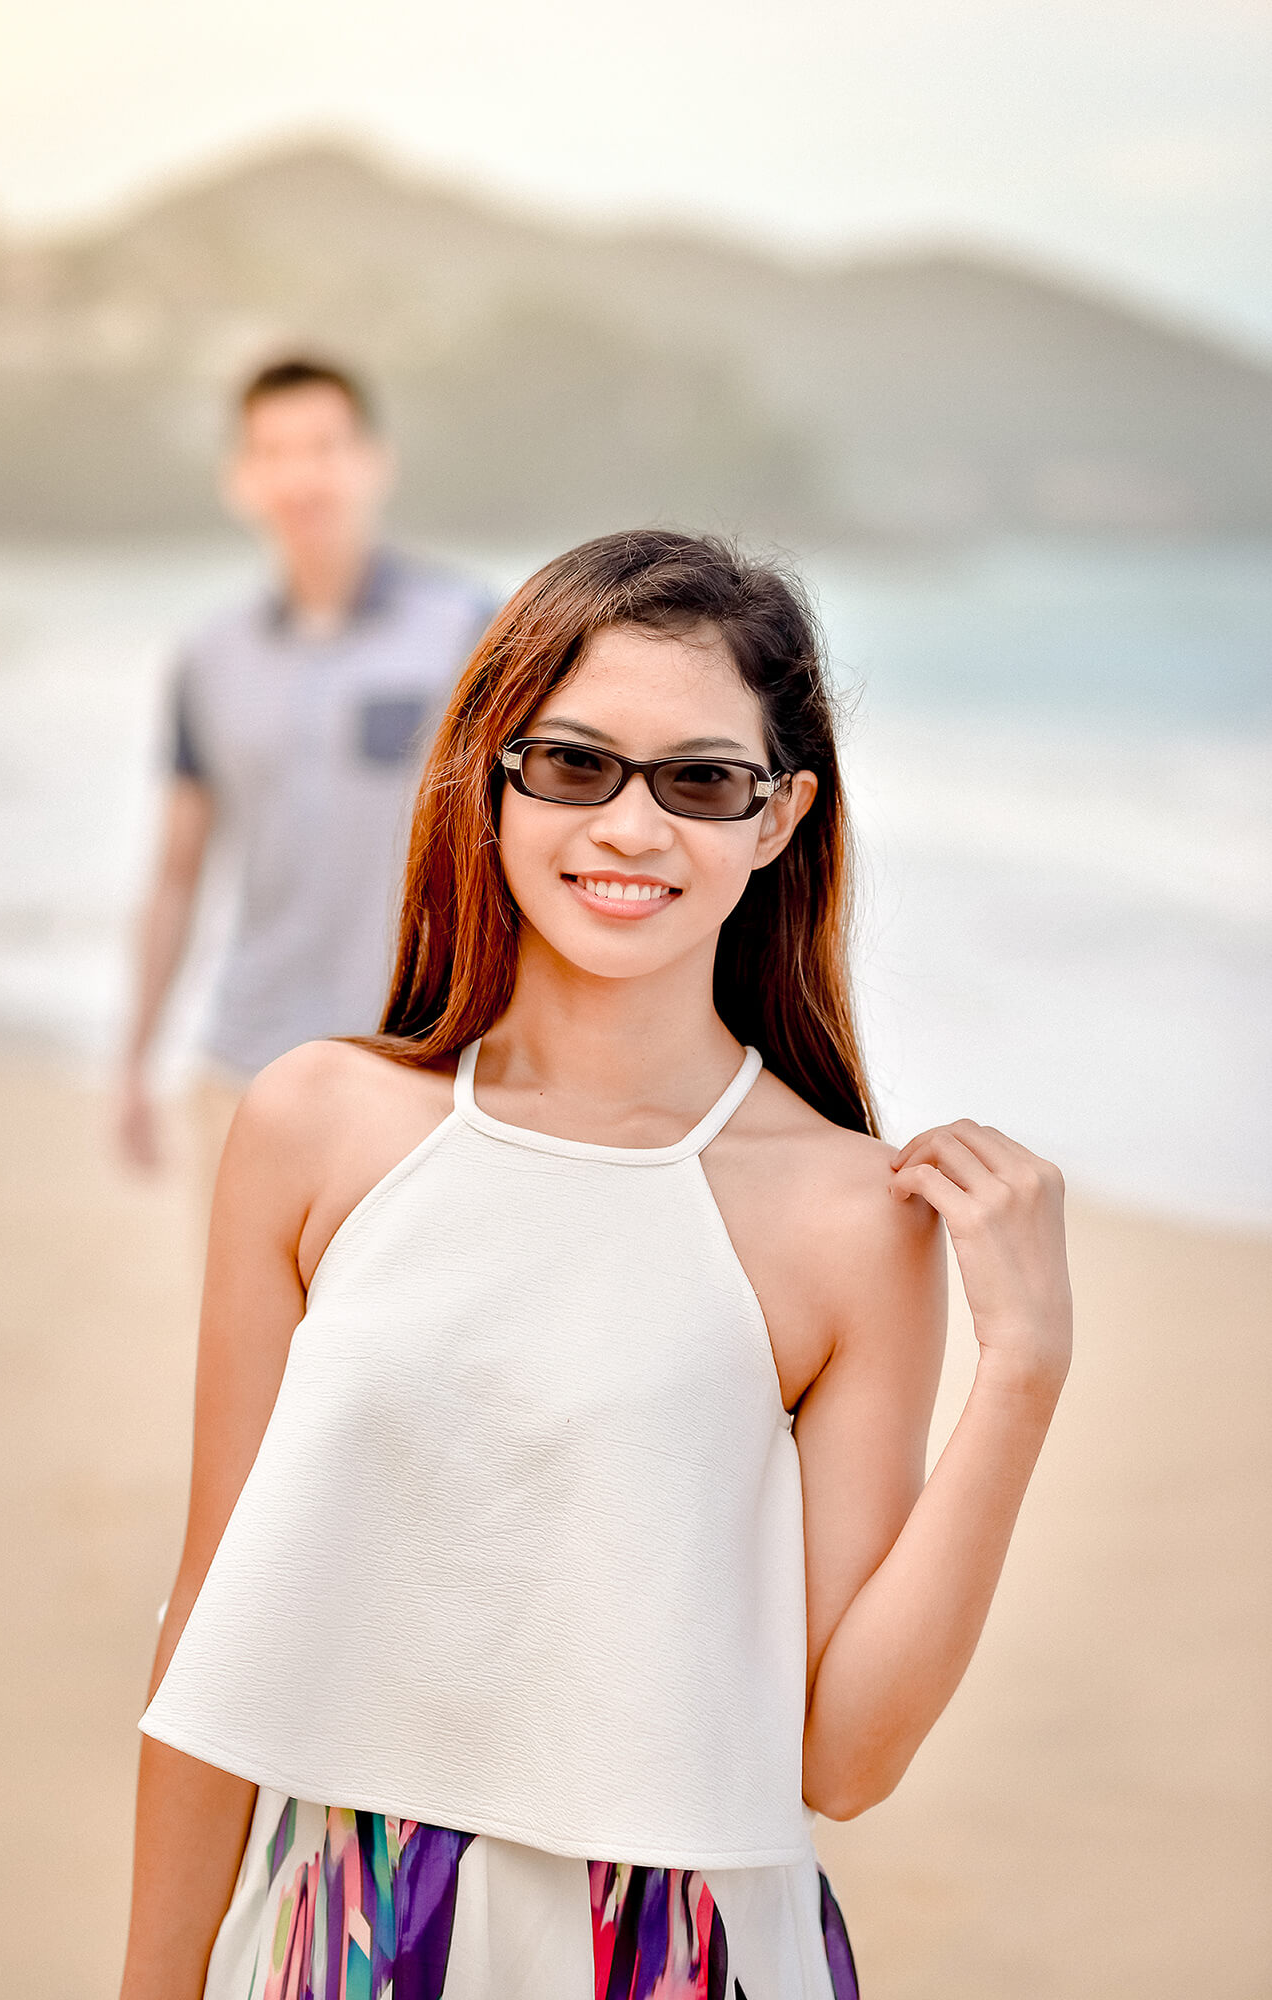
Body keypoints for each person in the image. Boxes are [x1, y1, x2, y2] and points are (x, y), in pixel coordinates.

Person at [118, 530, 1073, 2000]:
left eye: (698, 780)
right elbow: (211, 1627)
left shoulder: (845, 1215)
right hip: (346, 1931)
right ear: (492, 774)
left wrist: (1020, 1374)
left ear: (777, 818)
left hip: (685, 1951)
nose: (631, 828)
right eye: (574, 765)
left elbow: (845, 1755)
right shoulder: (318, 1124)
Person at [115, 355, 495, 1196]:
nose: (301, 476)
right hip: (246, 1063)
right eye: (273, 452)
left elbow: (523, 849)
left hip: (417, 1066)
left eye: (324, 446)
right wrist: (136, 1056)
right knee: (239, 1329)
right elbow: (177, 874)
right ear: (239, 480)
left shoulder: (468, 631)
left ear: (374, 462)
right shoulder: (209, 659)